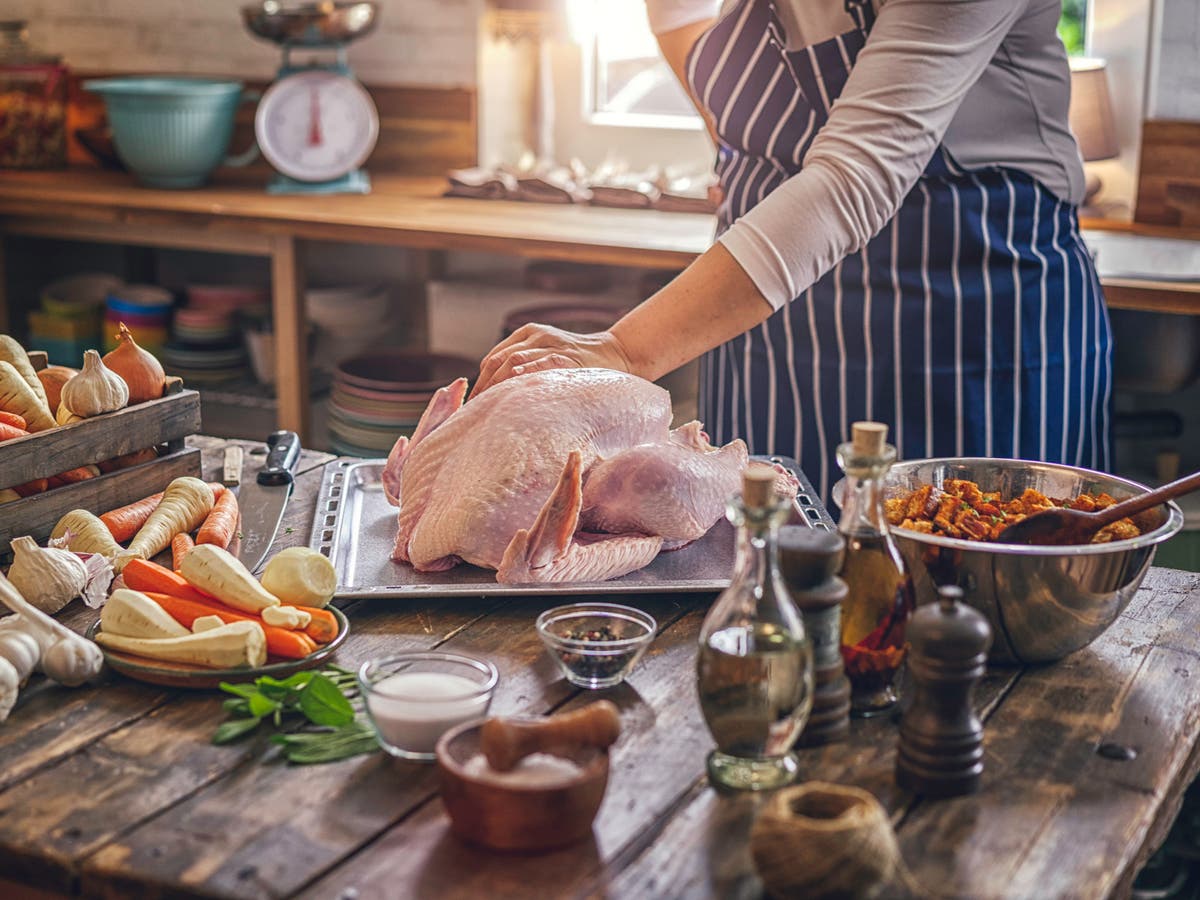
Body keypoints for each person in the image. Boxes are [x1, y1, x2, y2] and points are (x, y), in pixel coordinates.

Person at [472, 0, 1112, 501]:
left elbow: (855, 175)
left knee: (963, 591)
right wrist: (744, 138)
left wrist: (623, 350)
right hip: (770, 315)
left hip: (968, 299)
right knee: (759, 564)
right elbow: (675, 12)